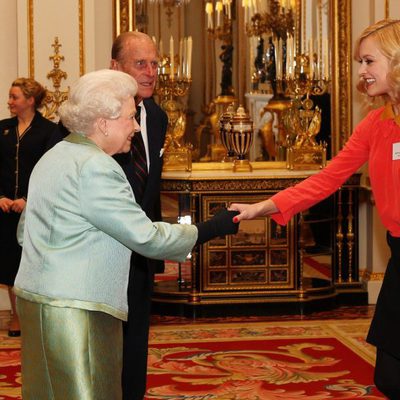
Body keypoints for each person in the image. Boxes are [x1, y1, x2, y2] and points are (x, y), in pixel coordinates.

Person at [14, 69, 239, 400]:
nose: (136, 126)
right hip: (79, 309)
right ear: (104, 122)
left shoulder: (55, 155)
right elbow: (147, 238)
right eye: (131, 117)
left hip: (36, 300)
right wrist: (213, 226)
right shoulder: (97, 167)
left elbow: (24, 231)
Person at [229, 19, 400, 399]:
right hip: (399, 252)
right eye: (360, 62)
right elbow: (327, 178)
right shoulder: (376, 124)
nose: (362, 72)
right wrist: (262, 208)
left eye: (369, 61)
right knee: (390, 377)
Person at [110, 31, 169, 399]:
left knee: (136, 343)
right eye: (140, 63)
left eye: (155, 64)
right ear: (116, 67)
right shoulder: (94, 119)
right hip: (101, 251)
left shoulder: (159, 117)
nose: (150, 72)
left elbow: (151, 191)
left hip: (140, 257)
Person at [0, 77, 61, 337]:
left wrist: (28, 199)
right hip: (4, 209)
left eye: (15, 97)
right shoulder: (2, 128)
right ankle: (16, 316)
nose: (10, 102)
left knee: (33, 262)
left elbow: (52, 172)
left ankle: (37, 315)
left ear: (30, 100)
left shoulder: (49, 131)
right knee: (9, 262)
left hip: (35, 209)